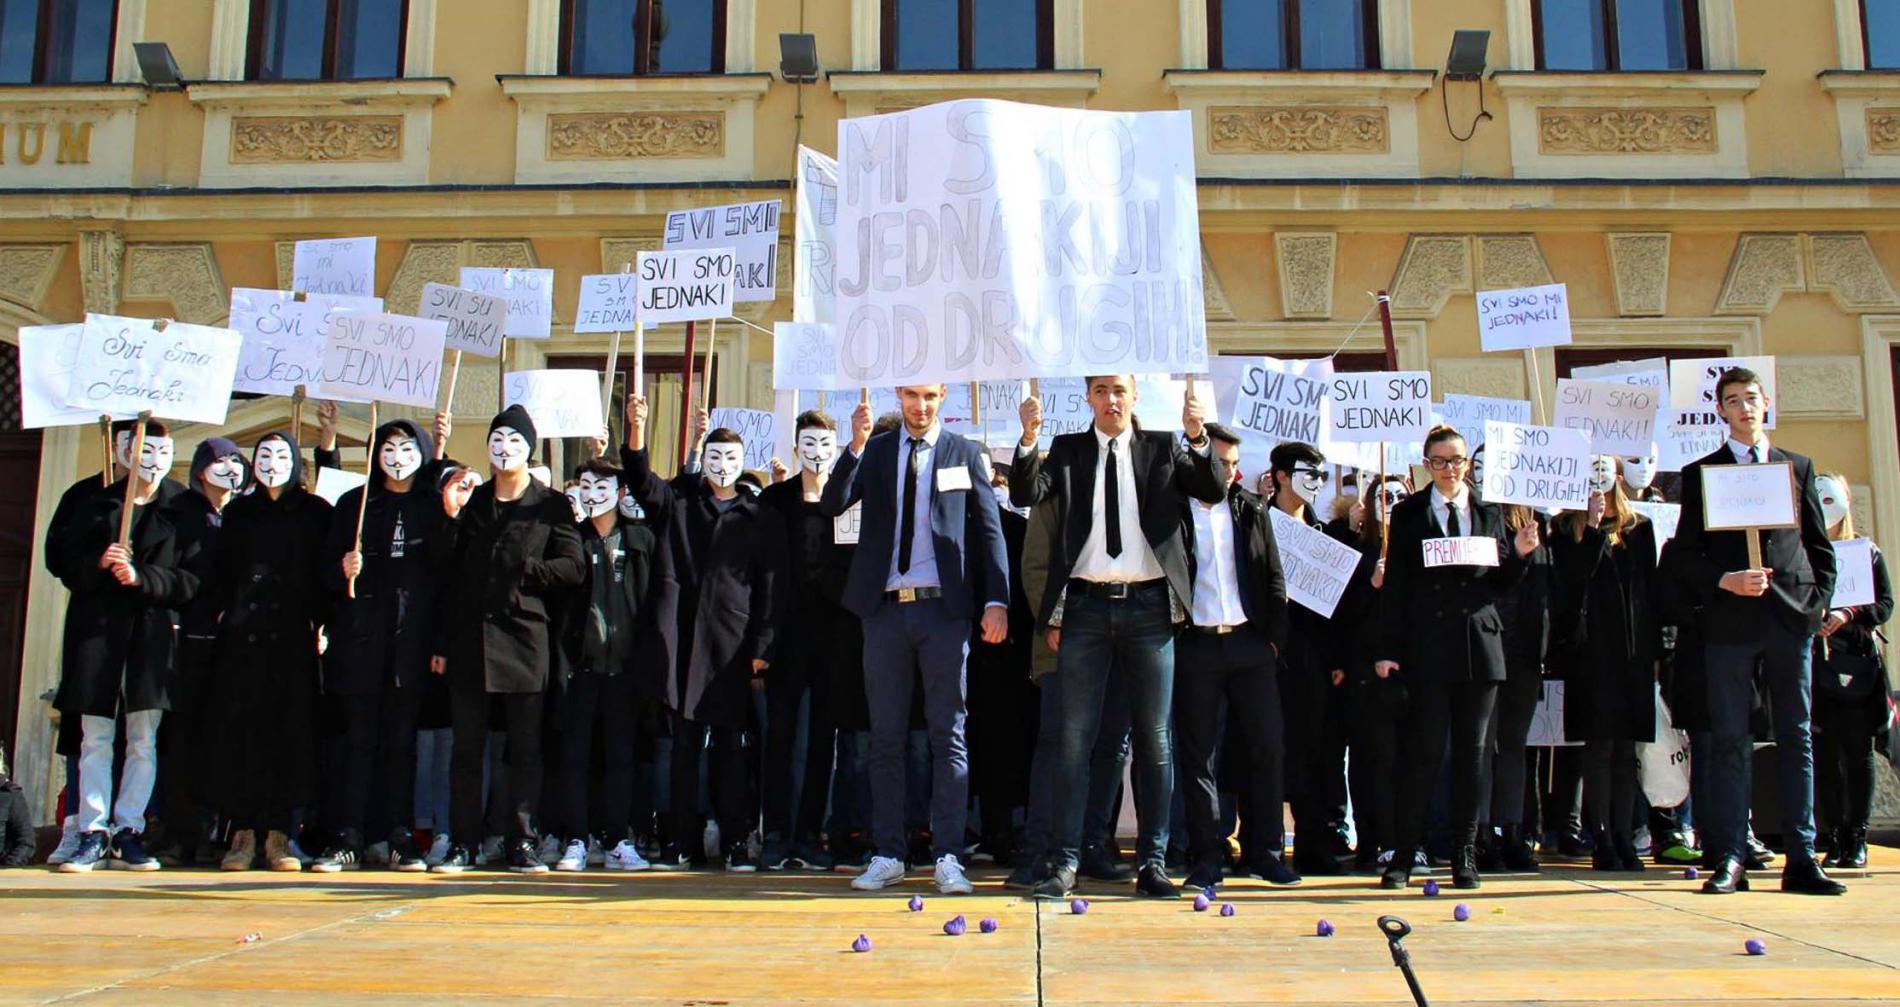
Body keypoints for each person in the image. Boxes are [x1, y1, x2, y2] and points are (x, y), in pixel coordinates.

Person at [1011, 375, 1224, 899]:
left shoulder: (1163, 447)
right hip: (1084, 607)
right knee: (1073, 739)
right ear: (1088, 397)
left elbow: (1212, 489)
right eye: (1102, 390)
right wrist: (1028, 439)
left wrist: (1198, 436)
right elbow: (1024, 492)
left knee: (1154, 738)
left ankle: (1152, 862)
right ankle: (1065, 861)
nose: (1111, 400)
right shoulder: (1068, 450)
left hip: (1149, 607)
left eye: (1120, 390)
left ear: (1135, 395)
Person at [821, 384, 1008, 895]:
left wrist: (996, 599)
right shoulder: (878, 450)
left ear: (942, 395)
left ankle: (948, 855)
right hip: (884, 611)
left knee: (949, 734)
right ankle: (888, 853)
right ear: (898, 395)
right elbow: (833, 503)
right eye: (910, 395)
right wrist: (854, 445)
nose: (919, 406)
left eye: (928, 396)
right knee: (885, 737)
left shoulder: (963, 452)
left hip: (943, 612)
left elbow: (988, 529)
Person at [1670, 367, 1843, 896]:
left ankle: (1802, 857)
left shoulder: (1797, 467)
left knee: (1796, 734)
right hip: (1731, 623)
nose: (1744, 408)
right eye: (1733, 401)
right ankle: (1731, 855)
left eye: (1751, 398)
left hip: (1789, 618)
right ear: (1720, 411)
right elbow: (1683, 556)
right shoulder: (1703, 473)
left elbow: (1819, 547)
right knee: (1730, 738)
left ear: (1766, 403)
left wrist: (1815, 604)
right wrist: (1724, 580)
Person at [1376, 425, 1540, 891]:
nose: (1449, 470)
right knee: (1424, 752)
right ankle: (1405, 855)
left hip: (1478, 647)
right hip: (1428, 648)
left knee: (1473, 755)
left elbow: (1500, 582)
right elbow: (1398, 586)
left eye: (1456, 461)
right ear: (1426, 464)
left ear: (1467, 464)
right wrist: (1387, 649)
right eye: (1440, 461)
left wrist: (1520, 555)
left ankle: (1465, 855)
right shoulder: (1408, 513)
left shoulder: (1488, 511)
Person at [626, 398, 787, 872]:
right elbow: (642, 481)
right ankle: (681, 840)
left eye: (730, 458)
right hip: (683, 644)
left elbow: (772, 587)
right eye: (714, 456)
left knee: (733, 748)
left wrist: (763, 647)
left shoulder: (759, 517)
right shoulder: (680, 505)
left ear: (742, 463)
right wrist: (638, 429)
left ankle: (736, 839)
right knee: (684, 746)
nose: (721, 465)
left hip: (733, 646)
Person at [429, 405, 585, 874]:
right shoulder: (473, 503)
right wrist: (449, 515)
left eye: (514, 441)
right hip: (471, 642)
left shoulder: (550, 505)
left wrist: (530, 571)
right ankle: (463, 842)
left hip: (523, 641)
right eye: (496, 440)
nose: (504, 449)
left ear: (528, 449)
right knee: (467, 749)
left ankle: (523, 841)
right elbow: (445, 572)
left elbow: (573, 567)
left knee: (524, 749)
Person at [50, 422, 199, 872]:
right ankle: (92, 830)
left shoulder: (183, 507)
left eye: (163, 452)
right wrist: (98, 562)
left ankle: (128, 828)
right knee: (95, 737)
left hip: (151, 638)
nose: (154, 461)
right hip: (97, 634)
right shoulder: (91, 500)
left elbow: (193, 578)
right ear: (125, 451)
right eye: (145, 450)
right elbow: (59, 558)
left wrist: (143, 577)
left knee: (142, 739)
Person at [314, 417, 449, 872]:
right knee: (358, 740)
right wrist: (342, 570)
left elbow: (444, 574)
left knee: (402, 743)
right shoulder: (354, 504)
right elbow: (323, 576)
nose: (396, 458)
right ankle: (348, 834)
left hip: (410, 644)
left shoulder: (431, 506)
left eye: (406, 448)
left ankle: (398, 834)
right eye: (387, 448)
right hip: (361, 642)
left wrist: (439, 643)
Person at [210, 432, 333, 873]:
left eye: (282, 455)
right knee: (244, 736)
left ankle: (280, 833)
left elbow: (324, 575)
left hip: (293, 642)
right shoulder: (239, 512)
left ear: (295, 462)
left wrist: (322, 621)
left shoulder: (315, 512)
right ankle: (243, 831)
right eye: (264, 454)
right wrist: (224, 613)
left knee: (288, 736)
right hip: (244, 642)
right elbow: (220, 572)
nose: (272, 463)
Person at [1176, 425, 1290, 890]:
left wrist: (1273, 640)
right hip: (1197, 645)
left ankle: (1266, 852)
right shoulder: (1174, 510)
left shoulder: (1250, 508)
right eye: (1220, 463)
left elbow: (1273, 575)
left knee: (1267, 747)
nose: (1229, 472)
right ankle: (1207, 855)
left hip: (1249, 644)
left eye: (1234, 465)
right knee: (1199, 754)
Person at [756, 410, 858, 871]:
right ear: (797, 448)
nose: (817, 453)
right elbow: (762, 572)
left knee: (822, 740)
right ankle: (776, 834)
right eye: (809, 443)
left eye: (825, 444)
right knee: (780, 737)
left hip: (833, 636)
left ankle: (811, 835)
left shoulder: (847, 498)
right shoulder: (775, 500)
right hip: (785, 636)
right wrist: (761, 642)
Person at [1551, 458, 1662, 872]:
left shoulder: (1639, 527)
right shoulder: (1566, 529)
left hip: (1631, 652)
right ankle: (1601, 838)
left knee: (1627, 749)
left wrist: (1656, 652)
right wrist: (1594, 528)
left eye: (1603, 474)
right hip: (1591, 652)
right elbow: (1573, 581)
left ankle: (1624, 835)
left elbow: (1649, 591)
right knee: (1599, 747)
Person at [550, 457, 657, 873]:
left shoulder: (640, 540)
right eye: (586, 486)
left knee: (621, 757)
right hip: (581, 667)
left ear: (621, 492)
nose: (593, 495)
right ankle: (577, 838)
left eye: (602, 487)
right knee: (575, 755)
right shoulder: (570, 540)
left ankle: (617, 838)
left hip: (626, 670)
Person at [151, 437, 246, 867]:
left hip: (233, 645)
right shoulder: (180, 512)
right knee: (183, 741)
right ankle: (179, 831)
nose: (230, 467)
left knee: (224, 741)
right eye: (220, 460)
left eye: (236, 460)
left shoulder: (243, 515)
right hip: (187, 641)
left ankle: (215, 831)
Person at [1262, 440, 1342, 879]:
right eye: (1309, 473)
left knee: (1312, 751)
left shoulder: (1323, 532)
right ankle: (1263, 844)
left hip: (1310, 657)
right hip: (1265, 654)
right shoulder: (1256, 522)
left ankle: (1313, 844)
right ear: (1281, 476)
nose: (1317, 482)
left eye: (1322, 475)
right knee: (1265, 749)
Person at [1809, 475, 1891, 870]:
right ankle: (1835, 835)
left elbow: (1885, 604)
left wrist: (1848, 614)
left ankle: (1857, 836)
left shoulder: (1866, 552)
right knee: (1824, 754)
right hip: (1816, 666)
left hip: (1856, 665)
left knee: (1858, 752)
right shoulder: (1802, 553)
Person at [1479, 500, 1551, 875]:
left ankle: (1512, 831)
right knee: (1482, 746)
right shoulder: (1481, 519)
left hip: (1525, 652)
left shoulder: (1541, 526)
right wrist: (1517, 555)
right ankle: (1481, 835)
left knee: (1513, 747)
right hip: (1488, 646)